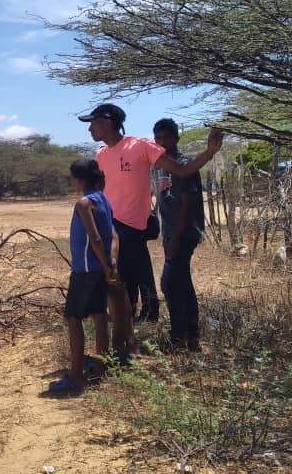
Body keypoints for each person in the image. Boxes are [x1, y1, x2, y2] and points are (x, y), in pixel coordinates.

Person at [80, 104, 223, 323]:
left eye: (93, 123)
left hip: (132, 225)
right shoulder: (101, 154)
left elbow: (182, 170)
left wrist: (209, 152)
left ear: (108, 122)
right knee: (131, 273)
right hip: (109, 224)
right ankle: (143, 314)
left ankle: (134, 326)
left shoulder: (140, 146)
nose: (90, 129)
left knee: (126, 276)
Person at [49, 159, 117, 392]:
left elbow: (96, 238)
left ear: (77, 179)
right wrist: (111, 262)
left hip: (86, 271)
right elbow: (113, 235)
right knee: (99, 317)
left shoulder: (84, 203)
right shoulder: (104, 200)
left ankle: (76, 375)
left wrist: (107, 266)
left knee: (73, 318)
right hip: (99, 269)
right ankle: (101, 370)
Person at [153, 118, 205, 350]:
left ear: (176, 138)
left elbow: (186, 203)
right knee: (182, 283)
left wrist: (175, 237)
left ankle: (178, 336)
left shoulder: (185, 165)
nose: (162, 142)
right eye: (158, 138)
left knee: (169, 284)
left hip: (183, 233)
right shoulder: (163, 164)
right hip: (172, 233)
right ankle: (191, 335)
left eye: (167, 137)